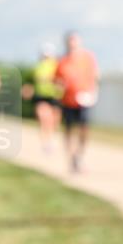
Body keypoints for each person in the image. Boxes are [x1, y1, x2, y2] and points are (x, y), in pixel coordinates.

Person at [54, 32, 99, 173]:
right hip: (68, 100)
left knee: (84, 129)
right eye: (70, 41)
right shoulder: (62, 61)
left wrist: (94, 93)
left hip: (85, 99)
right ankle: (72, 158)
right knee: (69, 130)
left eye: (75, 40)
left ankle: (79, 155)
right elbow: (57, 80)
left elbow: (96, 75)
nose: (73, 43)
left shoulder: (88, 57)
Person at [31, 44, 62, 154]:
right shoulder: (38, 66)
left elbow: (60, 79)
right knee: (44, 118)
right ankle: (45, 143)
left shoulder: (57, 65)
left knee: (54, 121)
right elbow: (36, 80)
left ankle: (51, 140)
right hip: (42, 95)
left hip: (54, 95)